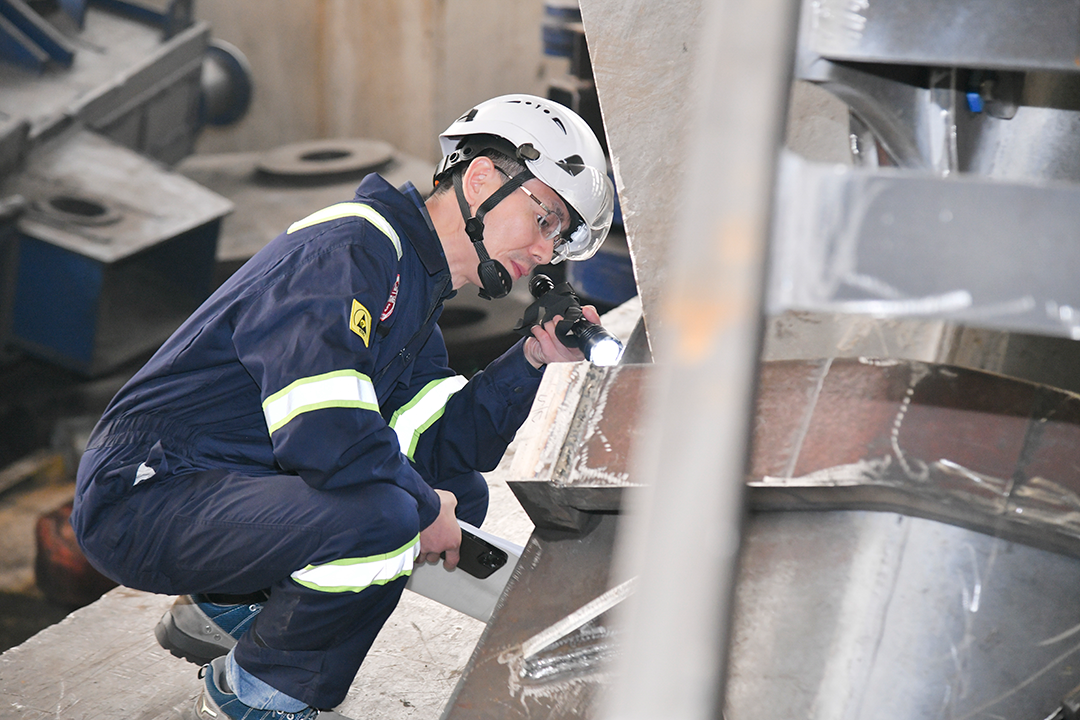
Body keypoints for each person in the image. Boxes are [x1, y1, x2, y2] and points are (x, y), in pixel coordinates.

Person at [70, 94, 614, 720]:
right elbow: (325, 431)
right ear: (483, 178)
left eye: (558, 238)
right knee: (388, 515)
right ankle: (257, 696)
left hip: (223, 487)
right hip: (146, 495)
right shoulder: (348, 250)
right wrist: (420, 507)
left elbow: (443, 446)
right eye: (545, 219)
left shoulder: (414, 288)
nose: (545, 251)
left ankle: (228, 611)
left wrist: (532, 360)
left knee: (456, 492)